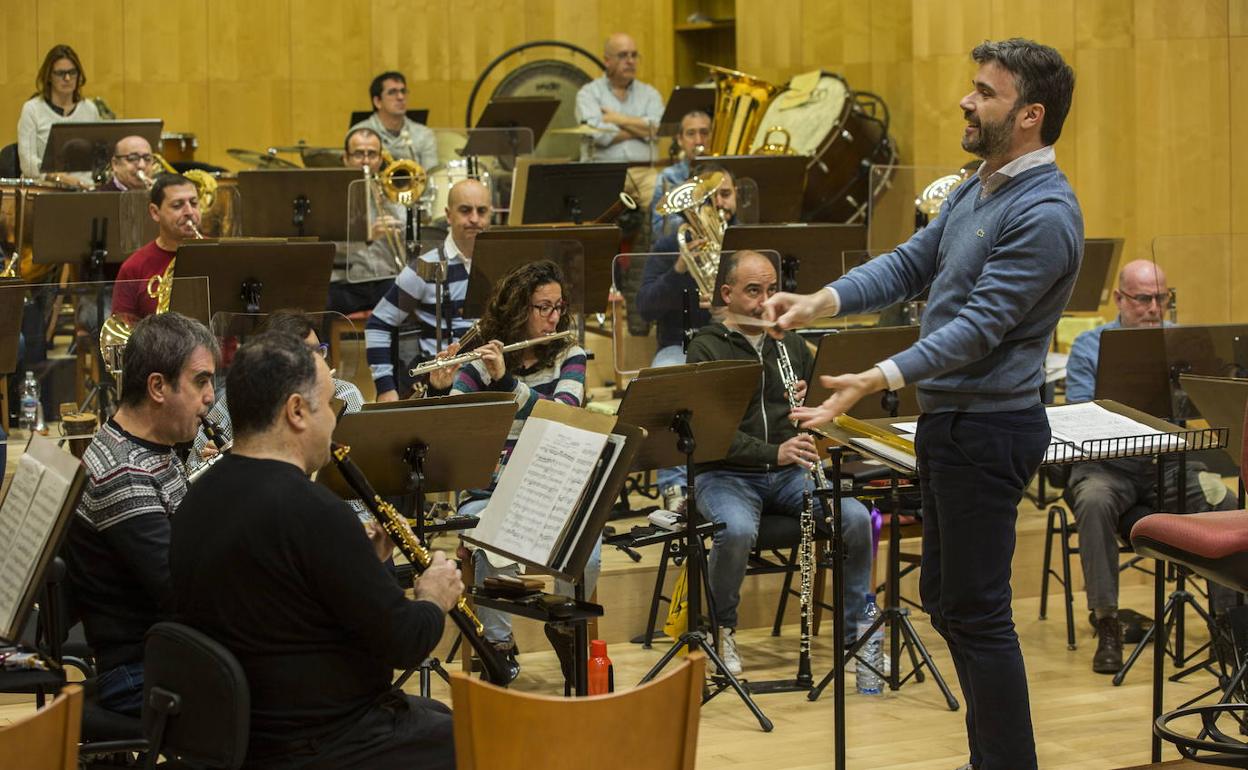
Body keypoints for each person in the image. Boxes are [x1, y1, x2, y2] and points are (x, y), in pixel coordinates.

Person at [764, 39, 1081, 770]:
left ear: (1029, 115)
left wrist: (874, 378)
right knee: (948, 600)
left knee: (977, 613)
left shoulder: (1044, 213)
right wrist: (824, 299)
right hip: (953, 423)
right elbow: (913, 261)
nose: (966, 102)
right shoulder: (983, 182)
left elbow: (979, 328)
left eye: (986, 93)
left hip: (990, 427)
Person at [171, 330, 461, 770]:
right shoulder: (313, 511)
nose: (333, 419)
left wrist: (369, 562)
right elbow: (404, 642)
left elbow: (288, 605)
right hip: (325, 740)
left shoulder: (195, 499)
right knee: (483, 735)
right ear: (296, 412)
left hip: (242, 737)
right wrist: (434, 596)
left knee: (434, 716)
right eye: (328, 405)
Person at [684, 249, 872, 677]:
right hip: (727, 475)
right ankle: (721, 629)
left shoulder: (787, 344)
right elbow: (712, 432)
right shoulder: (706, 348)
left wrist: (811, 406)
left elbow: (821, 413)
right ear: (727, 294)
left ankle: (855, 633)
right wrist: (775, 451)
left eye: (771, 290)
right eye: (753, 291)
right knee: (737, 530)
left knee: (857, 518)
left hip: (789, 474)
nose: (765, 302)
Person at [1064, 259, 1235, 674]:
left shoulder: (1180, 342)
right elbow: (1078, 411)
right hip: (1108, 465)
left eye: (1162, 298)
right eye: (1143, 299)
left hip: (1170, 463)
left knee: (1227, 503)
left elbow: (1208, 397)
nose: (1154, 307)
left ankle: (1229, 627)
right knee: (1092, 500)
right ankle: (1107, 621)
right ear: (1122, 299)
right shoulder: (1090, 346)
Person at [63, 312, 218, 716]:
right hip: (140, 672)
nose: (211, 397)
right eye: (200, 380)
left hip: (165, 651)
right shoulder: (124, 472)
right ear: (157, 387)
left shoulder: (151, 448)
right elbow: (181, 593)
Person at [448, 260, 590, 682]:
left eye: (558, 307)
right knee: (493, 536)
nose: (554, 318)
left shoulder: (570, 354)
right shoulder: (478, 364)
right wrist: (442, 385)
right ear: (517, 310)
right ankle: (498, 644)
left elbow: (562, 416)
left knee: (590, 549)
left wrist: (508, 382)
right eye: (542, 308)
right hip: (490, 487)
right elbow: (457, 429)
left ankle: (565, 628)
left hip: (551, 482)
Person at [635, 163, 735, 505]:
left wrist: (731, 310)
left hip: (736, 344)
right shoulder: (667, 247)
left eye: (726, 194)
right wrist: (678, 271)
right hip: (682, 346)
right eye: (711, 196)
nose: (719, 203)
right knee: (667, 378)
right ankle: (674, 487)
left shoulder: (748, 246)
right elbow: (645, 307)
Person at [188, 309, 365, 472]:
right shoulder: (241, 395)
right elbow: (193, 466)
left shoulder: (344, 395)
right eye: (304, 356)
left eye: (319, 352)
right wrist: (210, 463)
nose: (317, 363)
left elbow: (358, 467)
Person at [366, 178, 491, 401]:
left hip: (492, 381)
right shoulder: (423, 269)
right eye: (465, 210)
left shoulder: (502, 265)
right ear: (448, 215)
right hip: (441, 387)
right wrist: (385, 388)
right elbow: (378, 325)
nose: (474, 219)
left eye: (481, 211)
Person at [328, 127, 406, 314]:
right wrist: (367, 237)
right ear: (345, 159)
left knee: (412, 296)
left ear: (380, 159)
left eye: (371, 154)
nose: (365, 161)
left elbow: (407, 242)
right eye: (358, 154)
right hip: (346, 282)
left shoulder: (391, 193)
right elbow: (329, 247)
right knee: (323, 301)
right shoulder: (331, 197)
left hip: (386, 279)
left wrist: (400, 229)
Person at [111, 174, 201, 322]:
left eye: (194, 203)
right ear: (155, 212)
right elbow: (123, 326)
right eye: (177, 205)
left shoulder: (216, 255)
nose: (190, 212)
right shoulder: (134, 267)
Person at [17, 44, 101, 185]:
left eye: (72, 72)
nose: (67, 78)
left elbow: (98, 159)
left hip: (85, 189)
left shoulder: (89, 109)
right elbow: (28, 165)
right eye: (60, 73)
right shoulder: (32, 109)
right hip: (47, 189)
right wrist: (60, 177)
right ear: (49, 76)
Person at [574, 33, 665, 163]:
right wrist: (643, 132)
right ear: (607, 61)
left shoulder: (650, 93)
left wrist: (618, 119)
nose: (631, 61)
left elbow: (659, 129)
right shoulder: (588, 93)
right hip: (603, 173)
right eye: (623, 55)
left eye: (634, 55)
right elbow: (596, 134)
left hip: (644, 171)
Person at [349, 71, 439, 170]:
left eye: (403, 91)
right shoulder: (358, 134)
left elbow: (431, 176)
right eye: (392, 92)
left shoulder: (424, 134)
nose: (400, 97)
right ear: (377, 101)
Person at [649, 110, 712, 239]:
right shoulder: (668, 177)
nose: (699, 141)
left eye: (704, 133)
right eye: (691, 134)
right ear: (680, 140)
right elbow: (659, 227)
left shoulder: (724, 174)